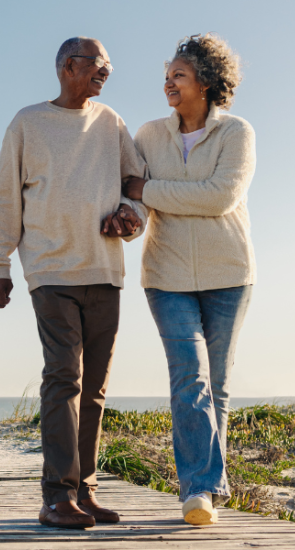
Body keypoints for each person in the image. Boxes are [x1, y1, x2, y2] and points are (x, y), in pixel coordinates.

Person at [0, 36, 146, 529]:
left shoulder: (111, 122)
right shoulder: (28, 123)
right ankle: (56, 496)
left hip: (105, 270)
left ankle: (85, 491)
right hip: (51, 273)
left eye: (109, 66)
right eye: (99, 64)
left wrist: (130, 214)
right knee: (64, 378)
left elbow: (135, 182)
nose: (107, 72)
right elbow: (5, 196)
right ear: (68, 66)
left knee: (93, 388)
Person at [111, 33, 256, 526]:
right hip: (167, 274)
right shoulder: (149, 135)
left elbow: (219, 198)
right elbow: (135, 201)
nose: (168, 83)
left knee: (216, 384)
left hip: (229, 274)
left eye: (179, 75)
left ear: (207, 82)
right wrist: (129, 218)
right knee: (189, 376)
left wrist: (149, 188)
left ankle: (210, 484)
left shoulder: (237, 133)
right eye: (167, 75)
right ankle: (198, 490)